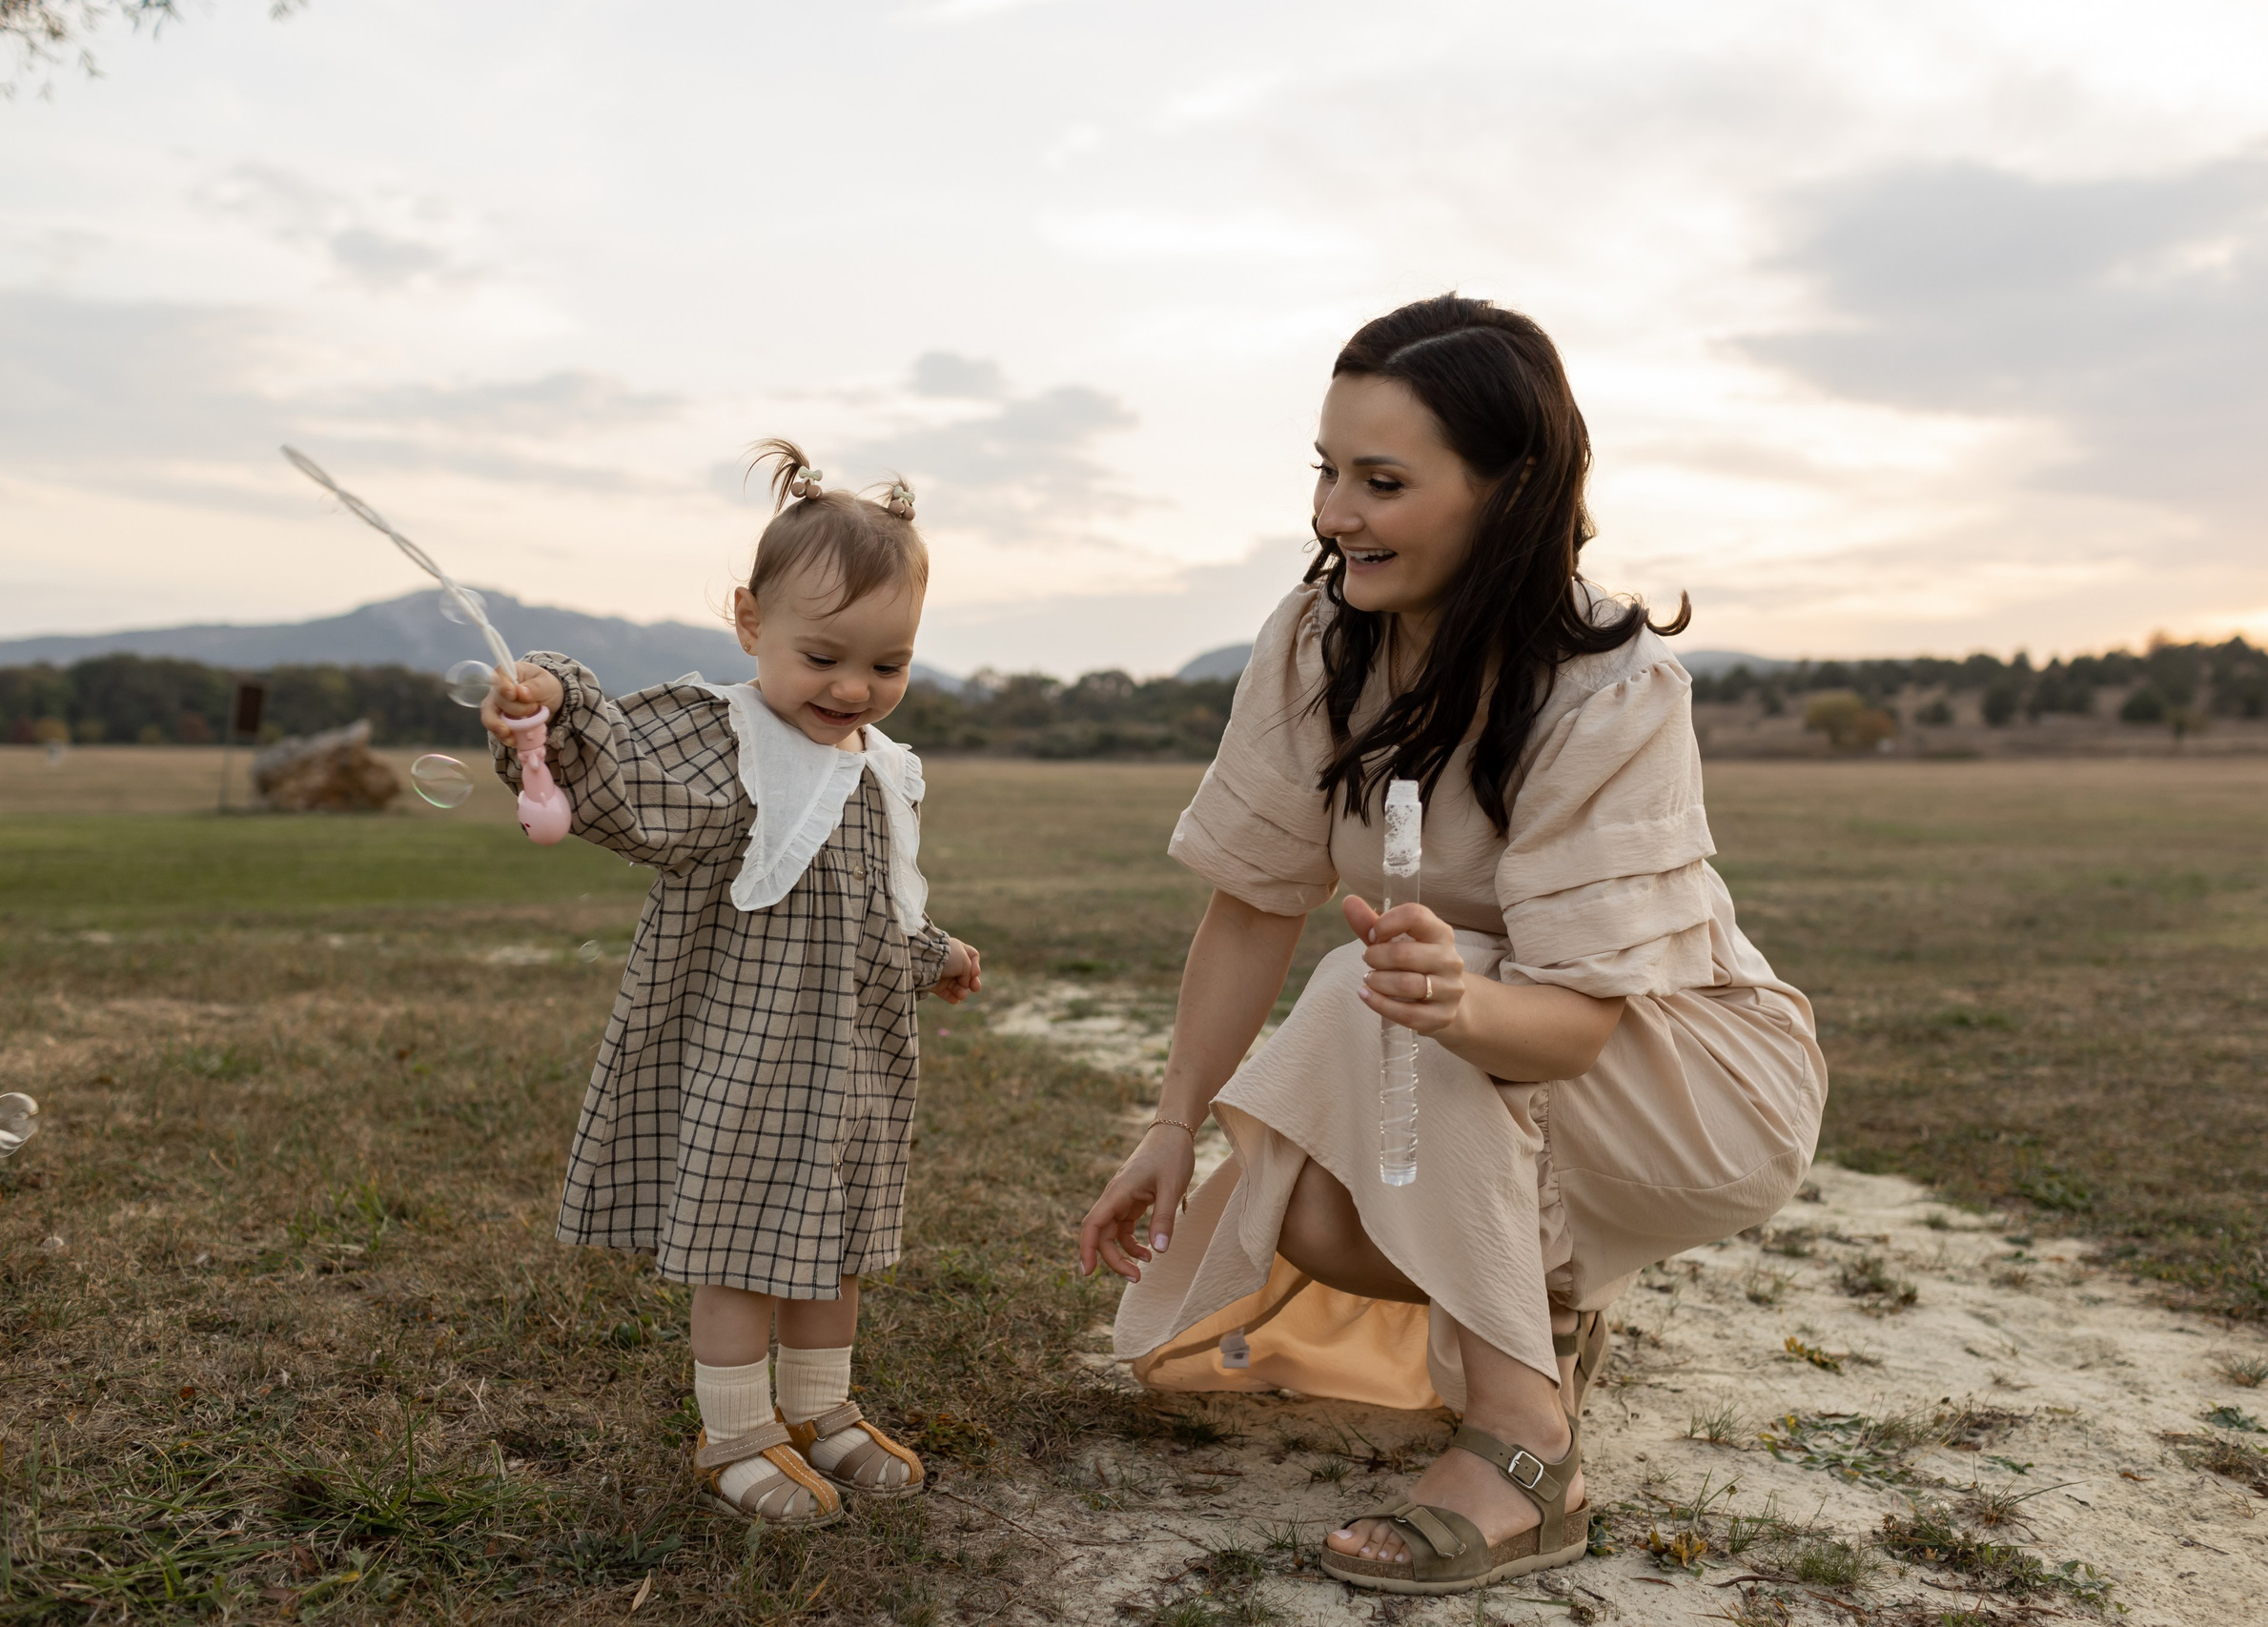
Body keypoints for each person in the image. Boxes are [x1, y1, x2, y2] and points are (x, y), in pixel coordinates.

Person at [1078, 295, 1827, 1596]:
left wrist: (1449, 1001)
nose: (1332, 513)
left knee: (1388, 985)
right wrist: (1170, 1121)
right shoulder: (1319, 641)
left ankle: (1529, 1453)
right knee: (1303, 1200)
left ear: (1510, 488)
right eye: (1325, 470)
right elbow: (1257, 897)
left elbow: (1577, 1021)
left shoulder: (1612, 684)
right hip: (1468, 1039)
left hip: (1690, 1075)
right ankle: (1541, 1318)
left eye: (1381, 480)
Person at [481, 442, 983, 1528]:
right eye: (823, 657)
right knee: (745, 1247)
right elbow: (615, 784)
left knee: (833, 1237)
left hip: (847, 1056)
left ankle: (822, 1409)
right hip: (747, 1054)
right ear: (752, 624)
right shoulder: (726, 742)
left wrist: (933, 952)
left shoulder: (874, 762)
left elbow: (867, 904)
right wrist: (552, 703)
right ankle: (734, 1431)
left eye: (886, 665)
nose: (854, 689)